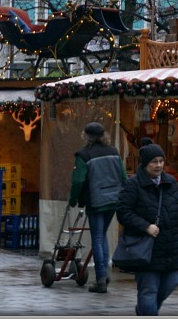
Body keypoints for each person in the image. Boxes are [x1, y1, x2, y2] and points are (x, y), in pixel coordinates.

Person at [116, 141, 178, 315]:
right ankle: (148, 311)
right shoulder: (133, 184)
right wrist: (146, 226)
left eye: (161, 161)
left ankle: (145, 310)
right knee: (149, 290)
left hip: (170, 247)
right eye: (154, 162)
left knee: (172, 282)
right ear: (145, 163)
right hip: (146, 249)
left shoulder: (171, 182)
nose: (159, 165)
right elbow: (123, 213)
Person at [68, 121, 127, 293]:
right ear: (104, 136)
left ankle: (100, 278)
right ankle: (104, 273)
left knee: (97, 238)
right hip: (113, 200)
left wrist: (73, 200)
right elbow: (123, 176)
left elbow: (78, 180)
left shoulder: (83, 155)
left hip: (96, 200)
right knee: (102, 236)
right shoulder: (114, 152)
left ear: (87, 136)